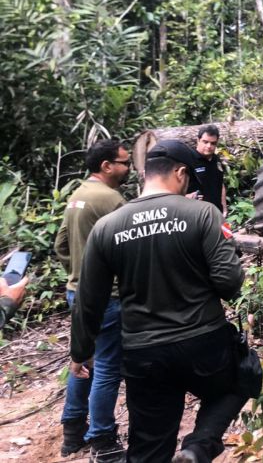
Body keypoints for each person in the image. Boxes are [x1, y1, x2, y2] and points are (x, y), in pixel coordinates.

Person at [70, 139, 246, 463]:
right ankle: (198, 447)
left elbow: (88, 301)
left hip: (143, 353)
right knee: (243, 378)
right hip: (204, 343)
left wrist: (80, 352)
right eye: (189, 179)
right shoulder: (204, 214)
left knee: (149, 446)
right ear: (180, 173)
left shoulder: (107, 228)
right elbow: (230, 283)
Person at [54, 139, 130, 462]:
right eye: (124, 163)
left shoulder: (76, 196)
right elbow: (131, 248)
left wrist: (77, 272)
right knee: (108, 367)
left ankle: (72, 431)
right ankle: (102, 440)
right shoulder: (111, 200)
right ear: (106, 166)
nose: (129, 168)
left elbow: (60, 245)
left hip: (77, 292)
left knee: (83, 359)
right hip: (107, 298)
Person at [188, 125, 227, 217]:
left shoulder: (216, 159)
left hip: (217, 213)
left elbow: (220, 184)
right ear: (198, 140)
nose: (209, 146)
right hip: (196, 214)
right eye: (205, 142)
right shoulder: (189, 160)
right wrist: (187, 197)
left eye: (213, 143)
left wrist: (224, 207)